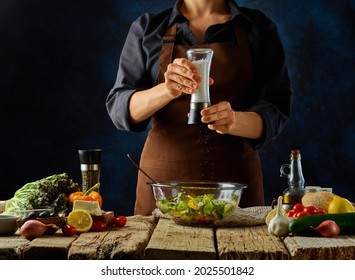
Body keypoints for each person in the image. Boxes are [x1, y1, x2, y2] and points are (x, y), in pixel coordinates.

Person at [106, 0, 292, 215]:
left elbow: (277, 109)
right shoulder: (148, 28)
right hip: (164, 187)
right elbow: (120, 110)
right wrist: (166, 90)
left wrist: (235, 121)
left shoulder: (257, 26)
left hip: (233, 189)